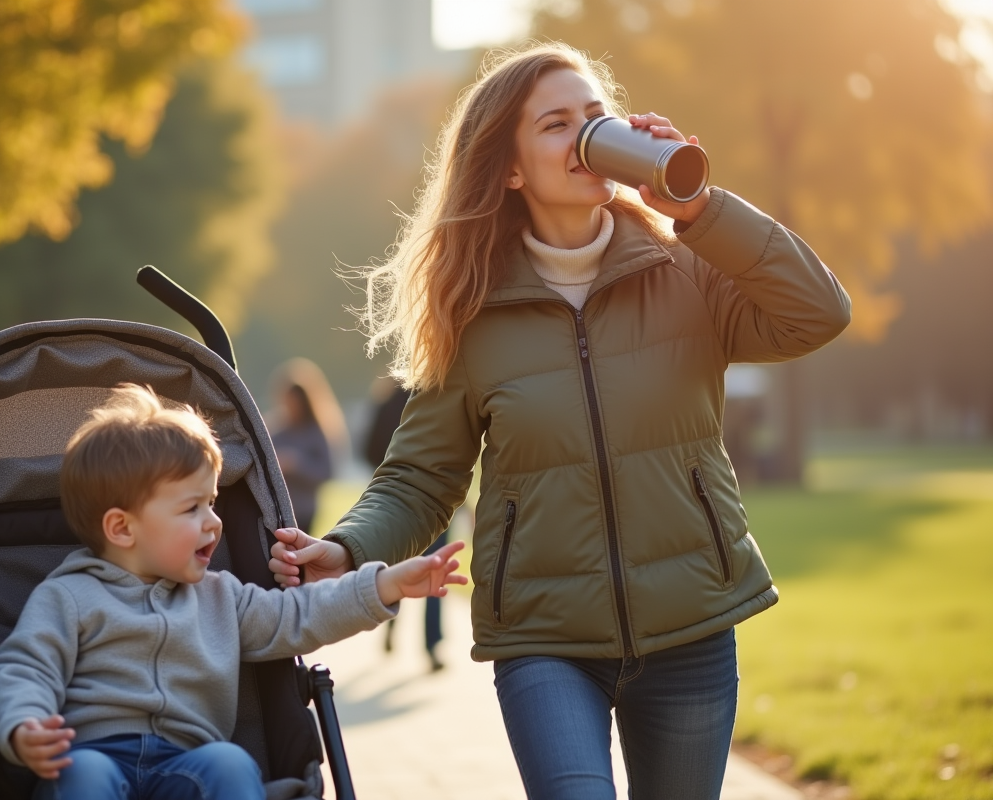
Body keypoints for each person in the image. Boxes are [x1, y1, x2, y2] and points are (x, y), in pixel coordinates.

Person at [267, 42, 850, 800]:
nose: (584, 136)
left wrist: (704, 211)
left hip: (691, 626)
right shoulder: (471, 317)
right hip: (545, 639)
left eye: (597, 118)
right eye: (556, 124)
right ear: (510, 169)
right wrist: (346, 549)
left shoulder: (689, 272)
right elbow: (421, 475)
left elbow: (818, 312)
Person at [0, 384, 466, 800]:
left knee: (231, 764)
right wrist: (25, 725)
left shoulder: (222, 598)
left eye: (213, 503)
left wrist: (382, 583)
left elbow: (298, 616)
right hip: (94, 756)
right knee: (82, 773)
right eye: (192, 507)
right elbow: (24, 668)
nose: (214, 522)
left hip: (187, 764)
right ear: (122, 528)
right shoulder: (69, 597)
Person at [364, 378, 450, 671]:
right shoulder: (440, 395)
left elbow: (368, 448)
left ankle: (390, 624)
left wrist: (390, 473)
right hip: (435, 499)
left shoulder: (389, 401)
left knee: (394, 566)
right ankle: (432, 645)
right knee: (436, 570)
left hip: (394, 501)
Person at [267, 358, 348, 534]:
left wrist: (296, 464)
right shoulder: (275, 431)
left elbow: (326, 472)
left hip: (304, 510)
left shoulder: (317, 432)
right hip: (276, 509)